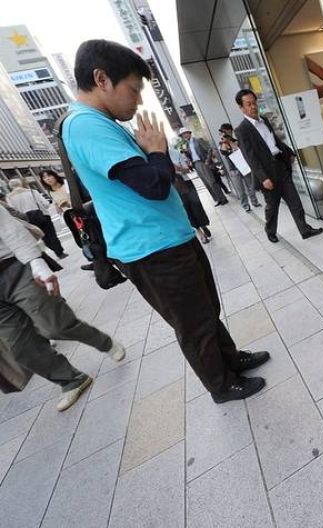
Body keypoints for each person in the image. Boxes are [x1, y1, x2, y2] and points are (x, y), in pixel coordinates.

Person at [63, 39, 269, 404]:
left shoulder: (101, 123)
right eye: (133, 90)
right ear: (101, 79)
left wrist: (151, 154)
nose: (139, 100)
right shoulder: (85, 126)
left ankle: (230, 359)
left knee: (205, 310)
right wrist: (156, 151)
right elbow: (153, 185)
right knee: (193, 324)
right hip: (152, 249)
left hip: (166, 240)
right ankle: (221, 385)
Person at [0, 203, 127, 411]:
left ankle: (103, 342)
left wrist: (37, 263)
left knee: (55, 326)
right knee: (21, 348)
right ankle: (71, 380)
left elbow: (8, 229)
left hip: (13, 268)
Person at [234, 88, 323, 244]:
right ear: (241, 108)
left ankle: (305, 230)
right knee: (272, 206)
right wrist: (263, 178)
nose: (253, 107)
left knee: (295, 201)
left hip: (280, 167)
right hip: (267, 174)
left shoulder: (264, 121)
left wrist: (288, 152)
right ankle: (270, 230)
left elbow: (274, 141)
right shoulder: (242, 130)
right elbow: (250, 157)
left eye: (254, 103)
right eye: (248, 104)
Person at [6, 179, 67, 259]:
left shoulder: (9, 197)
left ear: (10, 187)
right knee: (51, 234)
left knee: (42, 236)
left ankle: (54, 249)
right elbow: (45, 204)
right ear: (20, 184)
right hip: (42, 215)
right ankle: (60, 252)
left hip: (28, 219)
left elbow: (13, 211)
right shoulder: (32, 191)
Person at [169, 147, 212, 244]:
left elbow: (187, 170)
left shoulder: (175, 153)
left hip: (186, 183)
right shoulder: (154, 158)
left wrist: (177, 168)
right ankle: (200, 233)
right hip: (173, 188)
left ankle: (203, 225)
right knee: (186, 210)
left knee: (196, 206)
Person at [179, 127, 228, 206]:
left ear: (189, 133)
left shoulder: (198, 140)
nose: (184, 135)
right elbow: (190, 155)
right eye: (182, 135)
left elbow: (209, 149)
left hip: (203, 162)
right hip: (196, 164)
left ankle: (223, 199)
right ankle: (217, 199)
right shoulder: (187, 144)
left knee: (212, 181)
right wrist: (186, 153)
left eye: (185, 133)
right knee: (206, 183)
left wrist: (207, 161)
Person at [218, 123, 261, 211]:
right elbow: (224, 152)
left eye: (224, 131)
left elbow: (239, 148)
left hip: (243, 166)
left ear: (230, 130)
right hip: (233, 169)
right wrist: (224, 141)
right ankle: (245, 205)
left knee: (250, 186)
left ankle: (254, 201)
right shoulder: (222, 143)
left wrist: (230, 140)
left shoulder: (236, 139)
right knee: (240, 190)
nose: (223, 133)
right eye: (222, 132)